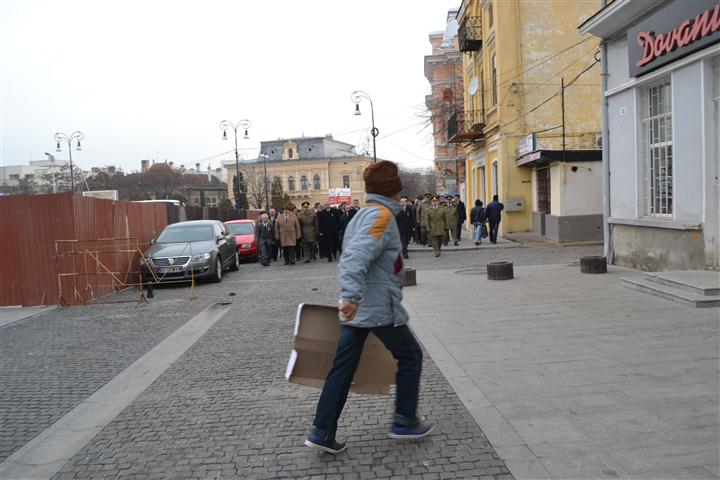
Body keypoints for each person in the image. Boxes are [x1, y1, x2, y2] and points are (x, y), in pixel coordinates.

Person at [305, 160, 433, 455]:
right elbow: (355, 256)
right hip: (377, 308)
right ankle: (404, 421)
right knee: (411, 356)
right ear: (394, 187)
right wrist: (349, 295)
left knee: (343, 368)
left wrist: (352, 298)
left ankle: (322, 430)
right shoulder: (380, 216)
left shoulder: (364, 214)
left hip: (363, 309)